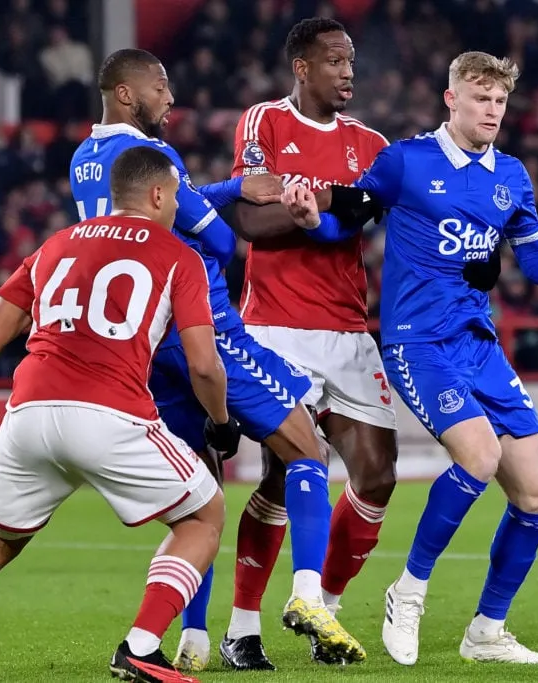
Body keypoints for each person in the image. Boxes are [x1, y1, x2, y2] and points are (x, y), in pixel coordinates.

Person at [282, 51, 538, 665]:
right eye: (480, 97)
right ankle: (408, 591)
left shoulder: (511, 175)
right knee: (481, 454)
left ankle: (486, 631)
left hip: (478, 345)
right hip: (418, 343)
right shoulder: (406, 162)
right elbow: (350, 218)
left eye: (499, 101)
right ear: (451, 99)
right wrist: (312, 219)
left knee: (537, 497)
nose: (492, 110)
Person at [70, 48, 361, 671]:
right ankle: (310, 597)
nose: (170, 99)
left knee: (200, 488)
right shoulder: (155, 159)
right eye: (161, 86)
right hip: (202, 330)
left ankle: (195, 637)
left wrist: (216, 189)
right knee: (306, 447)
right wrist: (231, 191)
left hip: (142, 343)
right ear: (126, 95)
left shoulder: (83, 160)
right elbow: (224, 239)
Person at [0, 146, 237, 683]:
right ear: (155, 195)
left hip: (27, 410)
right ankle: (142, 648)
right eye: (174, 195)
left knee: (0, 539)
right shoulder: (178, 255)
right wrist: (220, 421)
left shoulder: (55, 244)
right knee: (204, 515)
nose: (176, 206)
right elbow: (204, 364)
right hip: (109, 413)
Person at [227, 17, 395, 668]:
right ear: (302, 67)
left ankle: (323, 602)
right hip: (275, 326)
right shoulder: (265, 123)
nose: (348, 71)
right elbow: (248, 218)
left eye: (351, 60)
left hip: (349, 328)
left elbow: (371, 213)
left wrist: (330, 210)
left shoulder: (371, 143)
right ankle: (242, 627)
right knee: (284, 470)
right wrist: (307, 214)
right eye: (333, 60)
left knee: (377, 473)